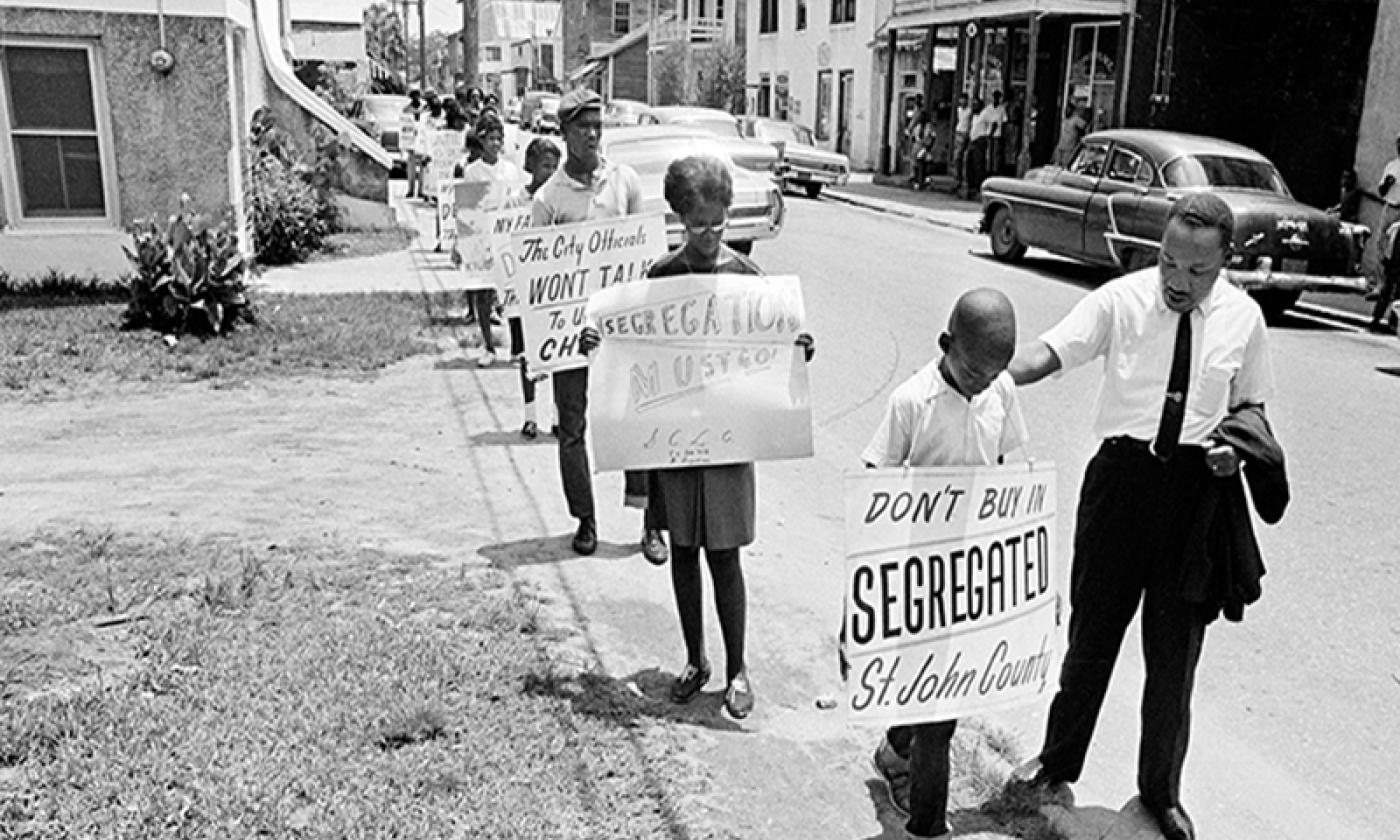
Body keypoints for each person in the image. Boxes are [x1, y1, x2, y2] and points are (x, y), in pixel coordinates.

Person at [1006, 192, 1279, 840]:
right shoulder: (1121, 300)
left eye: (1197, 270)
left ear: (1226, 260)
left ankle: (1160, 793)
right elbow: (1050, 352)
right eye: (1168, 262)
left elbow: (1252, 407)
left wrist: (1236, 451)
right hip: (1121, 487)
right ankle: (1055, 764)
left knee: (1173, 659)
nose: (1178, 280)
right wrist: (984, 371)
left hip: (1194, 499)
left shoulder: (1244, 319)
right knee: (1092, 638)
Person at [582, 154, 815, 720]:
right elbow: (632, 344)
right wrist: (600, 340)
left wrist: (797, 346)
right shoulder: (662, 277)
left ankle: (738, 668)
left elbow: (776, 342)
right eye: (696, 225)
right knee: (683, 550)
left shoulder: (748, 278)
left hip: (728, 442)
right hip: (675, 441)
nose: (709, 236)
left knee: (725, 555)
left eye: (717, 224)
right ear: (678, 220)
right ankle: (694, 660)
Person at [864, 288, 1028, 840]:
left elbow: (1011, 474)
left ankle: (895, 750)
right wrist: (860, 598)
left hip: (974, 570)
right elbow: (874, 497)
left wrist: (1029, 579)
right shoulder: (911, 402)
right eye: (974, 370)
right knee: (941, 715)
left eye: (994, 372)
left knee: (935, 692)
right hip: (918, 572)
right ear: (945, 344)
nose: (983, 382)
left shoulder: (1001, 390)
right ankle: (927, 826)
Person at [531, 88, 667, 562]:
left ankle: (651, 523)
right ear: (564, 132)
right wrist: (541, 341)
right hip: (571, 333)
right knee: (572, 426)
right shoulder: (548, 199)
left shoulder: (623, 181)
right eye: (582, 127)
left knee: (639, 417)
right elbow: (539, 276)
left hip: (622, 325)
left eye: (597, 126)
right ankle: (585, 519)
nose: (592, 135)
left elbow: (643, 251)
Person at [459, 111, 525, 367]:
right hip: (482, 237)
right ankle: (488, 346)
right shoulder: (472, 172)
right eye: (491, 139)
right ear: (482, 141)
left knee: (513, 291)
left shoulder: (510, 170)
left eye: (499, 139)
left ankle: (518, 347)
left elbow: (518, 202)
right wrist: (461, 244)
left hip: (506, 237)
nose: (496, 144)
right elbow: (468, 209)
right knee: (484, 292)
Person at [509, 137, 562, 438]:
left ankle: (556, 416)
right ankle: (530, 416)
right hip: (524, 289)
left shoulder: (559, 199)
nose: (550, 172)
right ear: (530, 166)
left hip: (554, 288)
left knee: (557, 354)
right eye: (545, 166)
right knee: (527, 356)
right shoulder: (516, 201)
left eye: (555, 167)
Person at [1369, 136, 1400, 329]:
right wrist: (1387, 183)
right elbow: (1381, 191)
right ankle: (1380, 284)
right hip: (1390, 207)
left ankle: (1392, 316)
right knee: (1383, 247)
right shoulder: (1392, 166)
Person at [965, 98, 991, 198]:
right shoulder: (973, 116)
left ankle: (978, 186)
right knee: (969, 163)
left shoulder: (985, 114)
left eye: (976, 105)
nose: (974, 107)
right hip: (972, 140)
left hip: (980, 140)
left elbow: (992, 124)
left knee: (978, 164)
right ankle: (971, 186)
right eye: (973, 105)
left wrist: (988, 136)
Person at [1054, 101, 1088, 168]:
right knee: (1057, 165)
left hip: (1069, 148)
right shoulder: (1064, 119)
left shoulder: (1076, 119)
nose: (1067, 111)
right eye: (1066, 109)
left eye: (1069, 109)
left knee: (1065, 166)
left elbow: (1084, 127)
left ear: (1072, 110)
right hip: (1061, 145)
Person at [950, 93, 972, 194]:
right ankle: (957, 178)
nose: (962, 102)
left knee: (960, 156)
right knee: (956, 157)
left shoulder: (969, 111)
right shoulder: (958, 110)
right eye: (961, 100)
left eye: (964, 100)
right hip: (958, 132)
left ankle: (961, 179)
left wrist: (968, 133)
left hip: (965, 133)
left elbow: (970, 123)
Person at [909, 112, 936, 190]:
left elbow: (933, 137)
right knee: (918, 163)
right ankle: (919, 179)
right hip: (920, 146)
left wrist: (928, 147)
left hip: (922, 146)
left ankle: (922, 179)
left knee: (926, 161)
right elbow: (913, 137)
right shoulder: (921, 126)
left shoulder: (926, 126)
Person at [984, 90, 1007, 177]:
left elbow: (1004, 121)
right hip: (989, 133)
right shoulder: (988, 108)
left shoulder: (1002, 109)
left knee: (996, 153)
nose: (996, 99)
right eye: (995, 97)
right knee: (989, 153)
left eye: (998, 97)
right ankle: (988, 169)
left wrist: (1003, 134)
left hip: (997, 134)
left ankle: (995, 170)